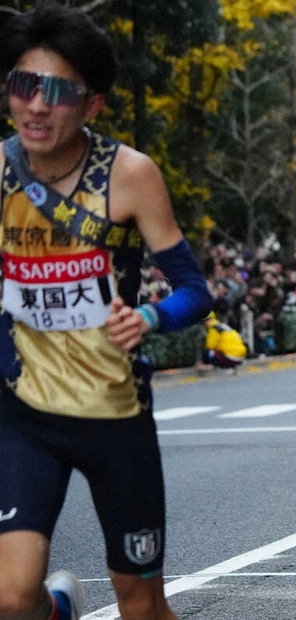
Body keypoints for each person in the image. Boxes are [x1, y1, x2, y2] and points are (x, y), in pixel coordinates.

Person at [0, 5, 213, 620]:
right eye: (22, 85)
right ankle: (55, 609)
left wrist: (151, 318)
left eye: (58, 92)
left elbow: (195, 290)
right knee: (11, 597)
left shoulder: (130, 174)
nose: (36, 106)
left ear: (91, 105)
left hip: (114, 414)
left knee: (141, 605)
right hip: (24, 412)